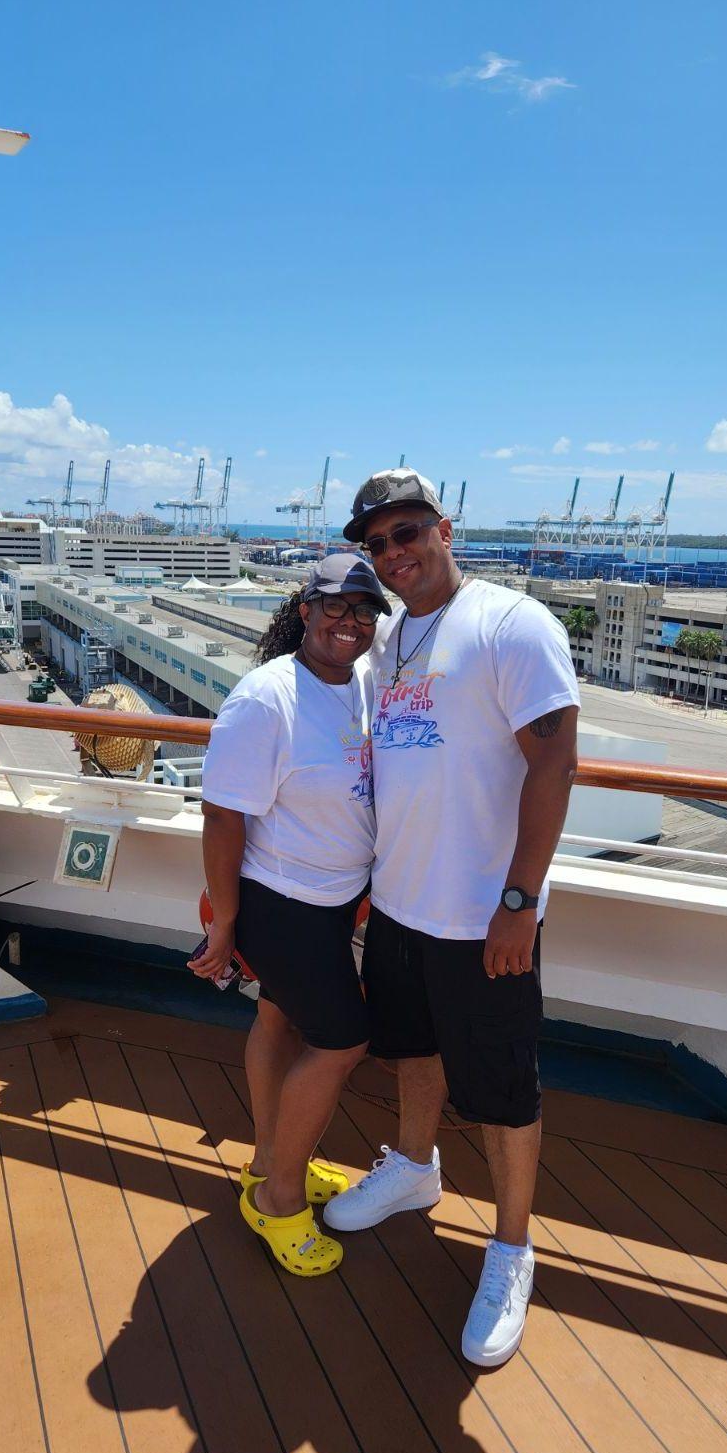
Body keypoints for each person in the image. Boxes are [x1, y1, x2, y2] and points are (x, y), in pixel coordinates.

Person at [324, 470, 580, 1365]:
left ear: (443, 528)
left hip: (483, 917)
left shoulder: (512, 624)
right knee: (414, 1051)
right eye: (377, 544)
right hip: (400, 906)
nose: (393, 553)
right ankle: (414, 1168)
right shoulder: (394, 637)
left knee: (504, 1093)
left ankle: (511, 1248)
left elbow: (556, 765)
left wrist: (519, 902)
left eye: (406, 532)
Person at [189, 553, 387, 1276]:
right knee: (342, 1042)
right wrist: (225, 925)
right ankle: (278, 1200)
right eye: (335, 605)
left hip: (331, 904)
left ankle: (270, 1159)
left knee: (278, 1022)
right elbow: (222, 817)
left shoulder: (361, 683)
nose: (349, 621)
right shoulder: (266, 698)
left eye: (364, 610)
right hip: (279, 904)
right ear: (304, 611)